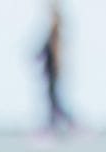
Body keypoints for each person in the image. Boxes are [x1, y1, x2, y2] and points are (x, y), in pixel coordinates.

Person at [39, 3, 78, 136]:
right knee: (53, 101)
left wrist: (58, 68)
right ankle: (55, 127)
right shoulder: (52, 31)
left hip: (53, 72)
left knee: (55, 101)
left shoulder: (55, 32)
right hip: (50, 71)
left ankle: (68, 125)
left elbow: (56, 52)